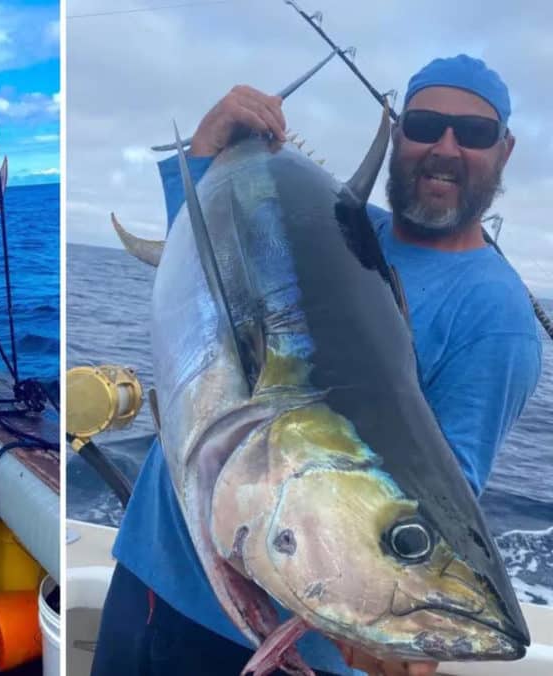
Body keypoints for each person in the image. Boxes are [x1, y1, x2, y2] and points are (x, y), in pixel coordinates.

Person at [93, 55, 542, 676]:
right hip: (152, 573)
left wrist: (401, 626)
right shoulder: (342, 218)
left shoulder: (496, 314)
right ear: (397, 133)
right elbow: (194, 273)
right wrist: (204, 151)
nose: (445, 147)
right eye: (424, 125)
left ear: (506, 149)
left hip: (280, 647)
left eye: (473, 133)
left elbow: (439, 497)